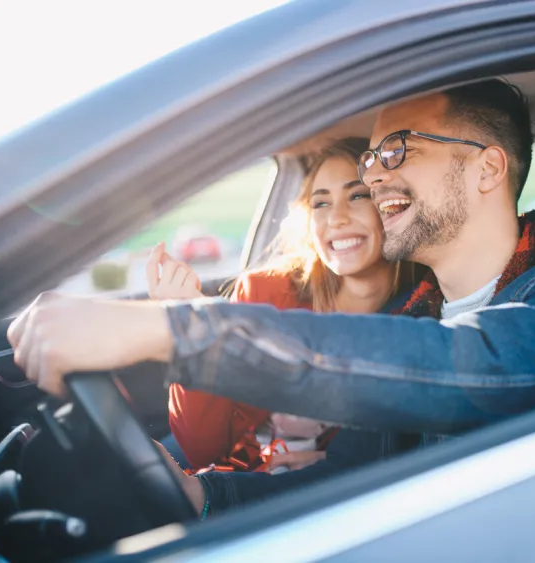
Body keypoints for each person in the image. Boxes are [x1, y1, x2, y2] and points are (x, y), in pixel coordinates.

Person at [7, 80, 535, 517]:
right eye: (372, 157)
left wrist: (174, 330)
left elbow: (463, 367)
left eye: (397, 150)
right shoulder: (419, 311)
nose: (374, 175)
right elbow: (348, 476)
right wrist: (207, 493)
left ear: (489, 167)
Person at [144, 137, 414, 474]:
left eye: (357, 195)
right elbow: (204, 449)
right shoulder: (267, 293)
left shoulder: (422, 308)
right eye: (321, 204)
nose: (336, 219)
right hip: (243, 477)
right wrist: (195, 332)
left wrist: (334, 464)